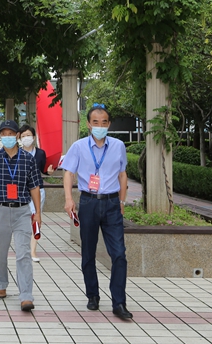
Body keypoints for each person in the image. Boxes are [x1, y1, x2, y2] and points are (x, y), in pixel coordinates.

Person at [60, 103, 132, 320]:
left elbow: (122, 174)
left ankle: (119, 302)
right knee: (88, 252)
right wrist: (69, 199)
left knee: (119, 254)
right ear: (89, 125)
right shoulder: (79, 147)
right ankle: (92, 294)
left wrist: (122, 201)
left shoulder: (118, 146)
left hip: (111, 204)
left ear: (109, 124)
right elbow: (68, 173)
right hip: (89, 203)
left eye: (104, 122)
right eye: (95, 122)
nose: (100, 126)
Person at [0, 120, 42, 312]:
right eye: (3, 134)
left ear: (17, 136)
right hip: (0, 210)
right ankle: (0, 284)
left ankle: (26, 295)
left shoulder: (28, 159)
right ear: (0, 136)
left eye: (11, 134)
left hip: (22, 211)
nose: (7, 137)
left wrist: (38, 212)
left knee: (23, 254)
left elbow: (34, 187)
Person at [18, 125, 50, 262]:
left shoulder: (40, 153)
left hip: (38, 190)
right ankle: (22, 247)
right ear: (19, 138)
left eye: (28, 135)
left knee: (35, 218)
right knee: (22, 220)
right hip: (21, 191)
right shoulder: (17, 153)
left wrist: (49, 171)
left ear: (34, 137)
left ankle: (32, 251)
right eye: (23, 136)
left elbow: (44, 170)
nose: (26, 138)